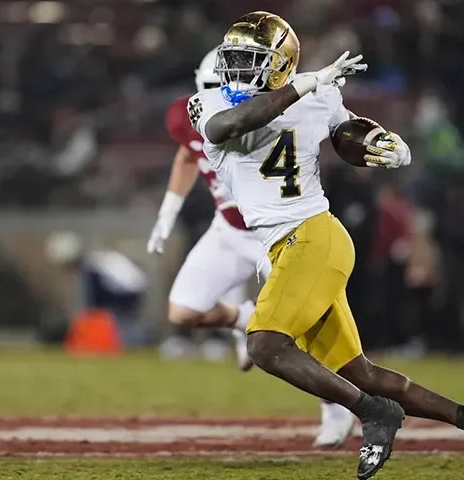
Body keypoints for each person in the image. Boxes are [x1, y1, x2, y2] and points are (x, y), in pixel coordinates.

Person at [189, 11, 464, 479]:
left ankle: (375, 414)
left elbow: (344, 132)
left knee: (263, 345)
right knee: (359, 373)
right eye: (234, 60)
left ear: (279, 63)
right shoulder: (210, 103)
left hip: (312, 236)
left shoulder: (317, 92)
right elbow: (230, 126)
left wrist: (380, 141)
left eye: (251, 60)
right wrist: (304, 85)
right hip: (288, 245)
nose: (237, 71)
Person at [148, 48, 356, 448]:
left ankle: (336, 405)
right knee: (183, 310)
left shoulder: (272, 111)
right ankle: (245, 317)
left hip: (278, 233)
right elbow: (187, 154)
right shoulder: (194, 114)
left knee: (301, 335)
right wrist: (167, 211)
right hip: (228, 230)